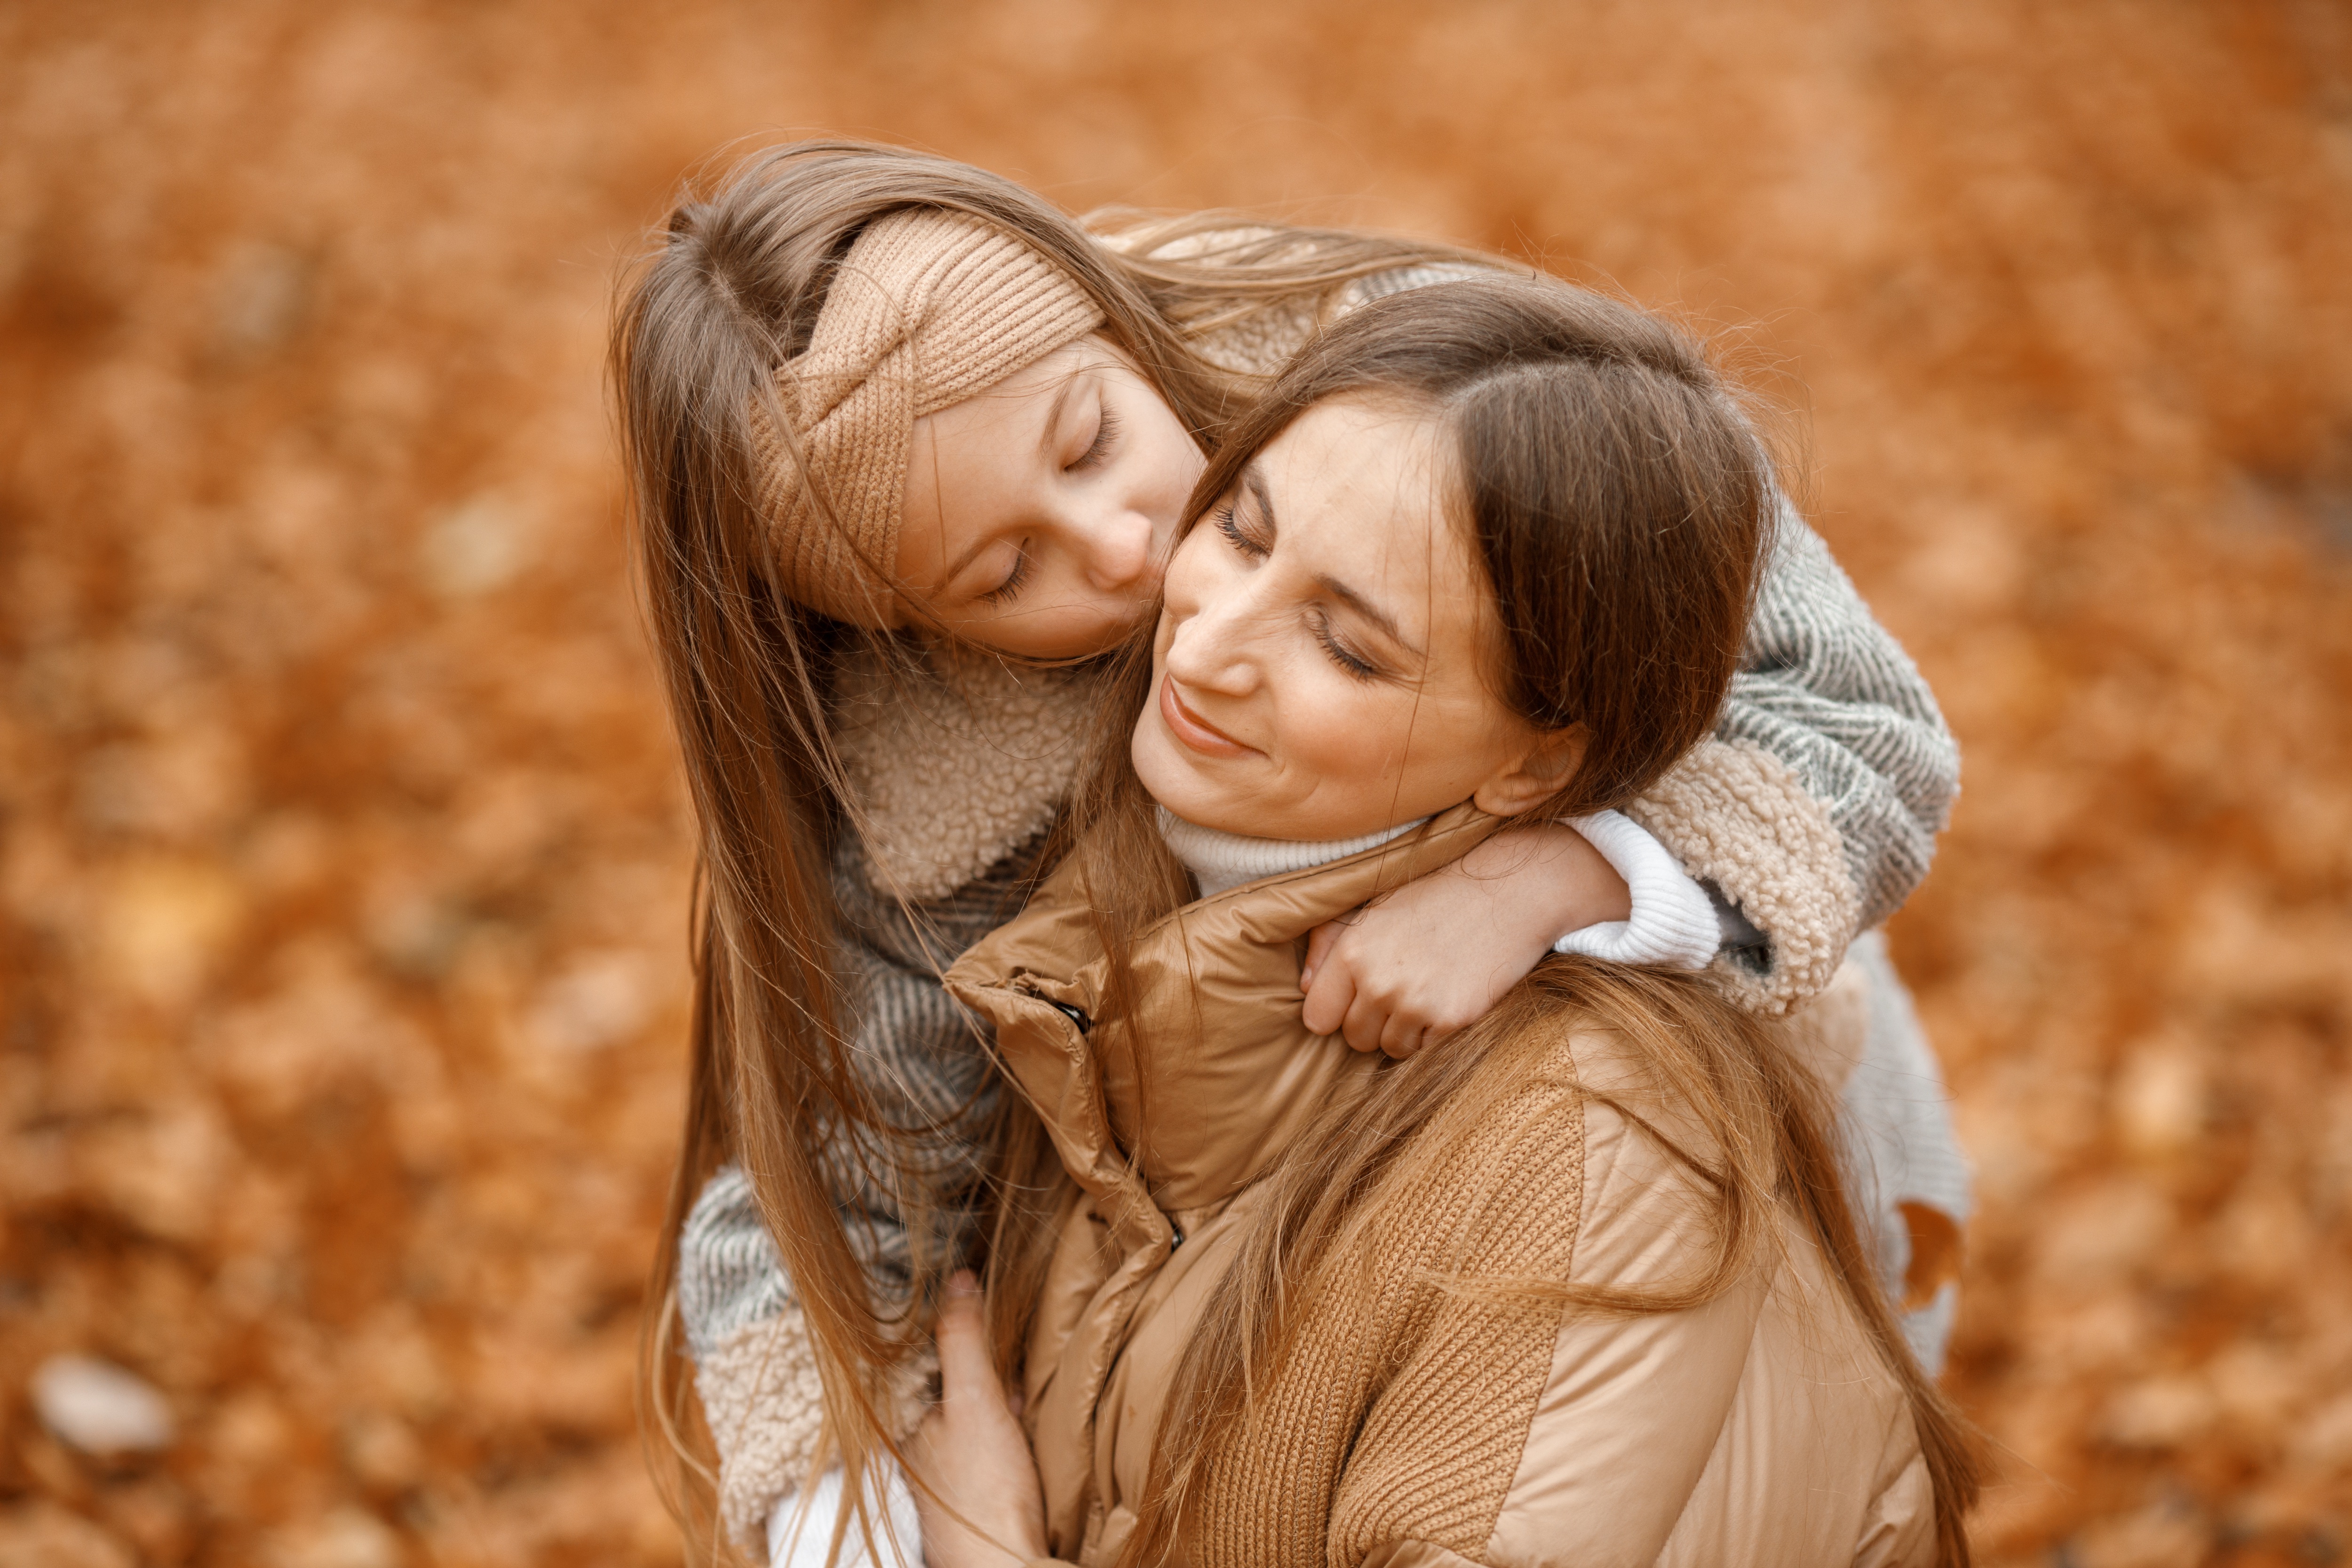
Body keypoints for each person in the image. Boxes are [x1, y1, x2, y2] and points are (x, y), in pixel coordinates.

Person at [611, 140, 1967, 1565]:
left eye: (1090, 442)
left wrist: (1552, 878)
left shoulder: (1432, 385)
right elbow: (837, 1200)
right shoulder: (924, 801)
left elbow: (1860, 727)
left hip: (1801, 1117)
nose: (1132, 553)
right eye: (1007, 573)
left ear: (1103, 314)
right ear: (909, 628)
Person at [912, 273, 1980, 1568]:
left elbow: (1885, 749)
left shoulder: (1595, 1157)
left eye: (1350, 650)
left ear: (1535, 771)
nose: (1198, 651)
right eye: (1243, 533)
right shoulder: (1090, 947)